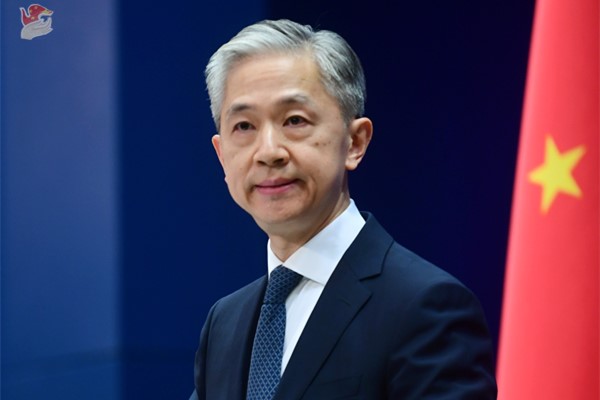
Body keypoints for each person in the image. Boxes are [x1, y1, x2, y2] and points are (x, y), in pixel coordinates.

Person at [190, 19, 497, 400]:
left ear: (355, 142)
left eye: (294, 120)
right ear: (221, 155)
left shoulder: (425, 307)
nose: (268, 151)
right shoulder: (224, 323)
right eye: (244, 126)